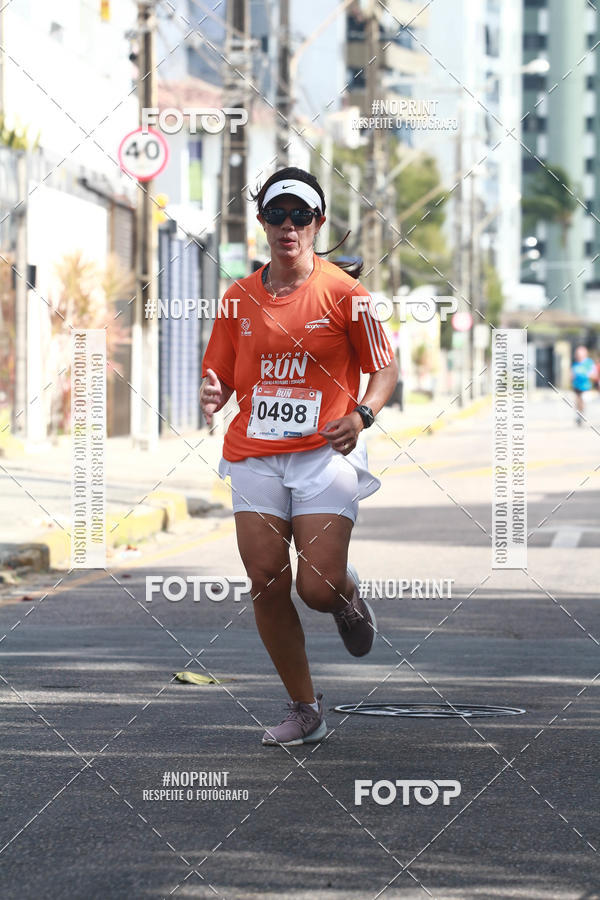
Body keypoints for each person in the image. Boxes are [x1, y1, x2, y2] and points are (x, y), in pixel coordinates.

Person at [200, 167, 398, 747]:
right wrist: (213, 391)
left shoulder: (344, 294)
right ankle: (304, 708)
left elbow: (384, 367)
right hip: (254, 454)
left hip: (321, 456)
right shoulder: (238, 298)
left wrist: (363, 414)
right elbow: (223, 374)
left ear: (318, 223)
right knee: (265, 578)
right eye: (277, 215)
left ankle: (345, 595)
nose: (289, 226)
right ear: (262, 221)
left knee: (316, 588)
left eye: (301, 215)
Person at [571, 345, 597, 426]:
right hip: (577, 386)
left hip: (586, 386)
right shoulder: (575, 363)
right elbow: (571, 374)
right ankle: (579, 415)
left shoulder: (589, 363)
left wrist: (588, 375)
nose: (578, 356)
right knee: (577, 401)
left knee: (582, 400)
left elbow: (594, 374)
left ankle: (581, 415)